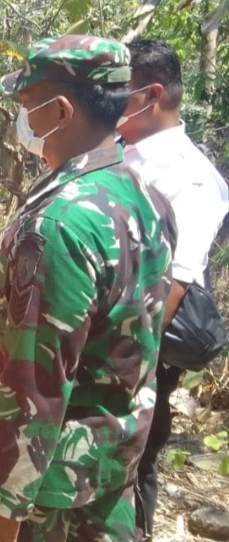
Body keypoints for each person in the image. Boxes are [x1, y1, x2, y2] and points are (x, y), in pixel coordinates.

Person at [0, 35, 176, 542]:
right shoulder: (145, 198)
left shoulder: (59, 223)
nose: (24, 121)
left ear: (60, 111)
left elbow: (32, 394)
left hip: (50, 501)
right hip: (109, 472)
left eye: (25, 106)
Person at [114, 39, 229, 541]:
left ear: (150, 93)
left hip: (140, 351)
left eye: (117, 90)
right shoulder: (117, 150)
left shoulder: (190, 176)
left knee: (132, 465)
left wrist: (128, 361)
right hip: (96, 337)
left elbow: (176, 281)